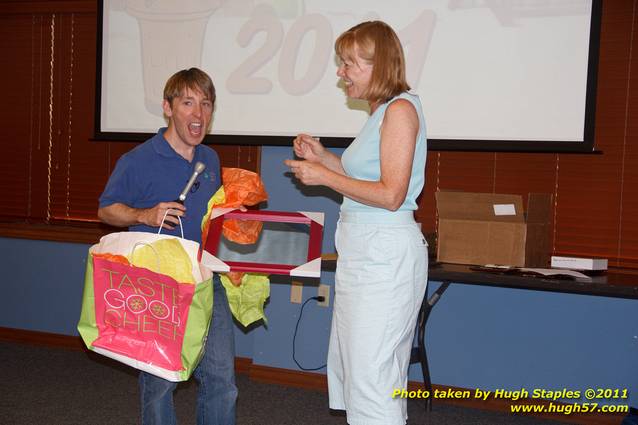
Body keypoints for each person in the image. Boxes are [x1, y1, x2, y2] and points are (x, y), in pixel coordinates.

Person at [284, 21, 428, 425]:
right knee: (361, 375)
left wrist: (326, 177)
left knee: (372, 381)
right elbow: (365, 179)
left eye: (349, 63)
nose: (341, 72)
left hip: (383, 255)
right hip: (366, 253)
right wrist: (323, 157)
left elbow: (390, 194)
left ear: (378, 64)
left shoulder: (400, 110)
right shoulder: (382, 112)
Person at [98, 68, 237, 425]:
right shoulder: (137, 160)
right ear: (167, 108)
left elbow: (213, 219)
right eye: (188, 103)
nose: (198, 114)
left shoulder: (212, 159)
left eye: (206, 104)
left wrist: (233, 246)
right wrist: (145, 214)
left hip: (207, 279)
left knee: (222, 381)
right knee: (160, 383)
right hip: (157, 285)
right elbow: (106, 209)